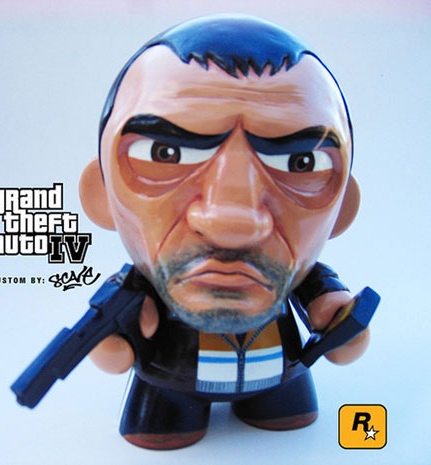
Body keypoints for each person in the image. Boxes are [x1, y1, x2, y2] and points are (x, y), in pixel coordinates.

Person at [79, 14, 370, 450]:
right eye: (165, 153)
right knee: (162, 424)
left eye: (301, 163)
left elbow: (334, 314)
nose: (232, 222)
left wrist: (341, 321)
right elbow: (116, 346)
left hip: (281, 379)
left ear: (342, 208)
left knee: (286, 411)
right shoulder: (136, 292)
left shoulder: (299, 273)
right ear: (101, 194)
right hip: (171, 385)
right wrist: (110, 342)